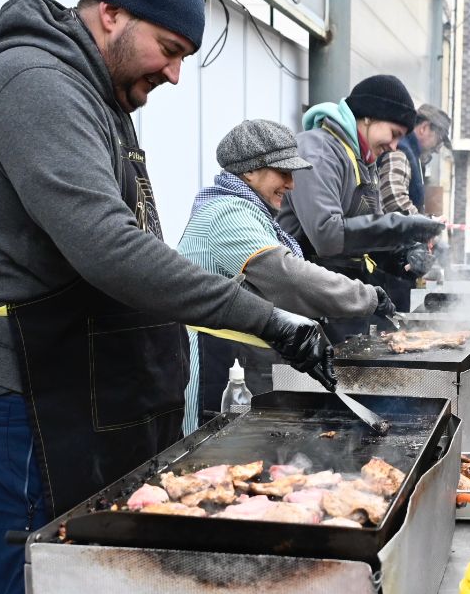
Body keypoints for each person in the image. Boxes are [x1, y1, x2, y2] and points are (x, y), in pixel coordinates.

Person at [0, 0, 335, 594]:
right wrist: (269, 320)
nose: (175, 73)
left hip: (61, 388)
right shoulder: (34, 86)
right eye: (169, 48)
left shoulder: (94, 95)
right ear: (109, 10)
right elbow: (110, 249)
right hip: (19, 398)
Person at [177, 119, 398, 430]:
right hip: (218, 364)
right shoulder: (226, 213)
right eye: (283, 172)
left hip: (241, 358)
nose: (292, 184)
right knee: (213, 470)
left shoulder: (248, 210)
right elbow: (287, 277)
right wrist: (367, 296)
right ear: (250, 171)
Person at [279, 74, 444, 330]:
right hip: (304, 305)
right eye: (393, 133)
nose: (394, 146)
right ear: (369, 117)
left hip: (339, 293)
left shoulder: (364, 161)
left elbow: (370, 238)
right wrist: (405, 225)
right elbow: (328, 235)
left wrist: (406, 256)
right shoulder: (318, 150)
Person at [377, 102, 452, 282]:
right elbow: (394, 200)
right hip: (388, 264)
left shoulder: (412, 155)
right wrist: (426, 226)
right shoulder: (400, 152)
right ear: (424, 128)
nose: (437, 148)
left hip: (398, 258)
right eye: (439, 139)